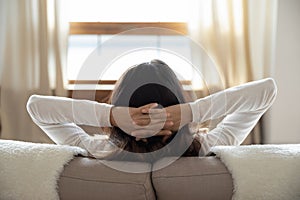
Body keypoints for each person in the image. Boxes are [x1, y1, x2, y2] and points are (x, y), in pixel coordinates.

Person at [26, 59, 277, 161]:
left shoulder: (98, 150)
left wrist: (112, 116)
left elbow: (36, 107)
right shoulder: (208, 146)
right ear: (178, 101)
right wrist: (190, 112)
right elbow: (266, 91)